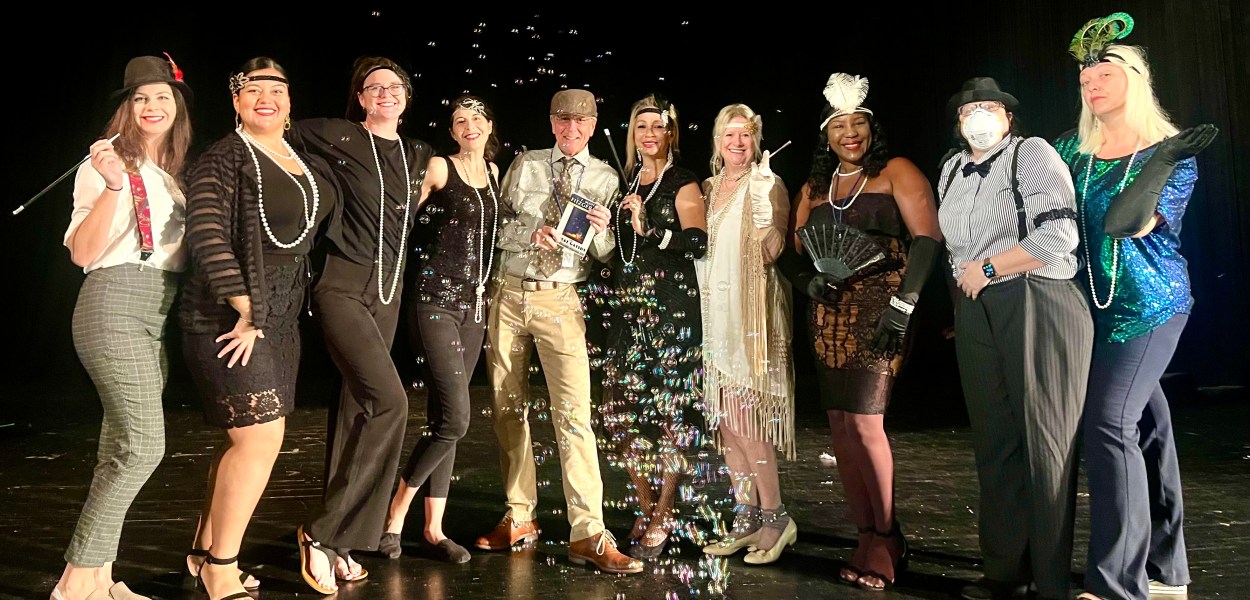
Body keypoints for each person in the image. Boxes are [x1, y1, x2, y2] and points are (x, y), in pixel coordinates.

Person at [1055, 13, 1218, 600]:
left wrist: (1161, 159)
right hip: (1090, 309)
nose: (1091, 85)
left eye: (1104, 74)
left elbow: (1126, 222)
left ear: (1135, 79)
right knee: (1147, 426)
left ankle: (1116, 585)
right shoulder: (1070, 150)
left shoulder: (1171, 155)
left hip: (1149, 307)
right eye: (1084, 78)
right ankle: (1166, 570)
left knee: (1108, 424)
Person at [180, 56, 339, 600]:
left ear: (290, 102)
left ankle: (203, 554)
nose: (265, 98)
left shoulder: (301, 160)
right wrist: (248, 309)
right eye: (252, 89)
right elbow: (206, 237)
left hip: (280, 318)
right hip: (227, 316)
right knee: (259, 438)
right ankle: (221, 567)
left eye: (276, 89)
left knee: (246, 441)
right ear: (236, 101)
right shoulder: (224, 157)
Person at [776, 73, 941, 590]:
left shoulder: (895, 171)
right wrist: (807, 282)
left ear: (872, 128)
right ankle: (865, 534)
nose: (850, 134)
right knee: (841, 426)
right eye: (839, 127)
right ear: (825, 136)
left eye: (858, 124)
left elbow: (928, 240)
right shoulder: (813, 189)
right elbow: (788, 254)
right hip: (829, 315)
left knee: (867, 424)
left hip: (884, 306)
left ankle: (888, 537)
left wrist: (905, 305)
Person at [935, 77, 1093, 600]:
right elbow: (954, 246)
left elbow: (1058, 234)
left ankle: (1050, 581)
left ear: (1007, 117)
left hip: (1034, 295)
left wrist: (988, 267)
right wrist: (969, 289)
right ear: (958, 123)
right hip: (979, 306)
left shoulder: (1032, 154)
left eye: (989, 107)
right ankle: (1005, 572)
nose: (978, 116)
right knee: (994, 441)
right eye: (969, 110)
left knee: (1044, 443)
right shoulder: (952, 169)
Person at [474, 88, 642, 574]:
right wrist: (527, 233)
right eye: (563, 120)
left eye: (581, 121)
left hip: (560, 298)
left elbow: (606, 255)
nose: (572, 129)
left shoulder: (606, 177)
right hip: (508, 294)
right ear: (551, 122)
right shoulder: (525, 164)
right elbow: (494, 227)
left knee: (574, 416)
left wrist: (606, 229)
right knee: (508, 409)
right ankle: (519, 515)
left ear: (593, 126)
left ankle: (588, 532)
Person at [285, 56, 435, 593]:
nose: (386, 93)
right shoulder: (338, 135)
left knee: (358, 411)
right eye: (375, 87)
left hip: (388, 293)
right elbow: (277, 131)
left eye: (395, 86)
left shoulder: (419, 153)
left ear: (407, 96)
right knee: (391, 403)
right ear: (361, 98)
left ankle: (344, 541)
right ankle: (321, 534)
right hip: (342, 287)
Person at [53, 54, 192, 600]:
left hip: (158, 308)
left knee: (118, 448)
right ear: (126, 109)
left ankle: (100, 578)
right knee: (142, 446)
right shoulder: (105, 164)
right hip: (113, 300)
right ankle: (75, 581)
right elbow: (82, 254)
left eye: (162, 97)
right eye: (140, 98)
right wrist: (113, 186)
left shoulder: (174, 177)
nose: (152, 106)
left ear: (177, 106)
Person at [378, 95, 501, 564]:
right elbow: (399, 220)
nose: (469, 125)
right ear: (452, 131)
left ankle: (433, 530)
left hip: (474, 308)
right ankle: (394, 514)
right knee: (456, 419)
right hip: (434, 301)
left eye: (477, 118)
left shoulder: (494, 174)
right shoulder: (439, 167)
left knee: (443, 422)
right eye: (459, 120)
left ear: (489, 125)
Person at [596, 93, 707, 559]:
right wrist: (604, 227)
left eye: (657, 126)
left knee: (669, 416)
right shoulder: (623, 183)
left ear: (670, 133)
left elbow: (697, 242)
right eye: (640, 126)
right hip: (629, 309)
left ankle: (665, 511)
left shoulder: (683, 181)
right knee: (618, 412)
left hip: (671, 309)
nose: (648, 134)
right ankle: (645, 505)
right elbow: (616, 252)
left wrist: (651, 231)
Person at [696, 104, 796, 566]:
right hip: (712, 315)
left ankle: (776, 515)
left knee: (747, 419)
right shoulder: (708, 187)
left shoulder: (768, 183)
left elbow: (773, 252)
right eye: (729, 134)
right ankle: (746, 515)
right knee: (725, 421)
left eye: (746, 135)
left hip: (748, 317)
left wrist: (760, 208)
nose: (737, 143)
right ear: (718, 141)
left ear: (757, 141)